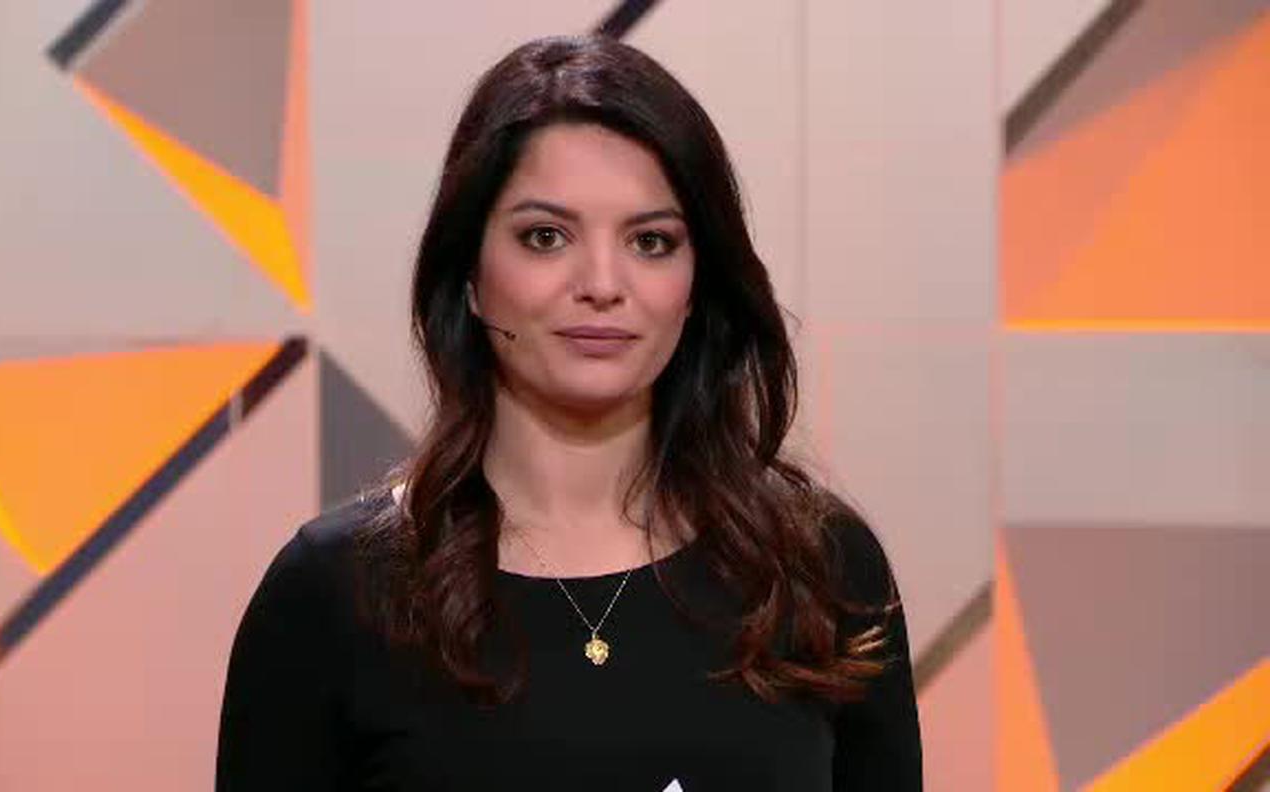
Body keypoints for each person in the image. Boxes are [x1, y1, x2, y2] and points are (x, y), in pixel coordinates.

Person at [216, 33, 921, 791]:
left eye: (651, 241)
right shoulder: (334, 595)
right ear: (470, 275)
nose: (602, 283)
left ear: (697, 285)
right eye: (546, 237)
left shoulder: (820, 568)